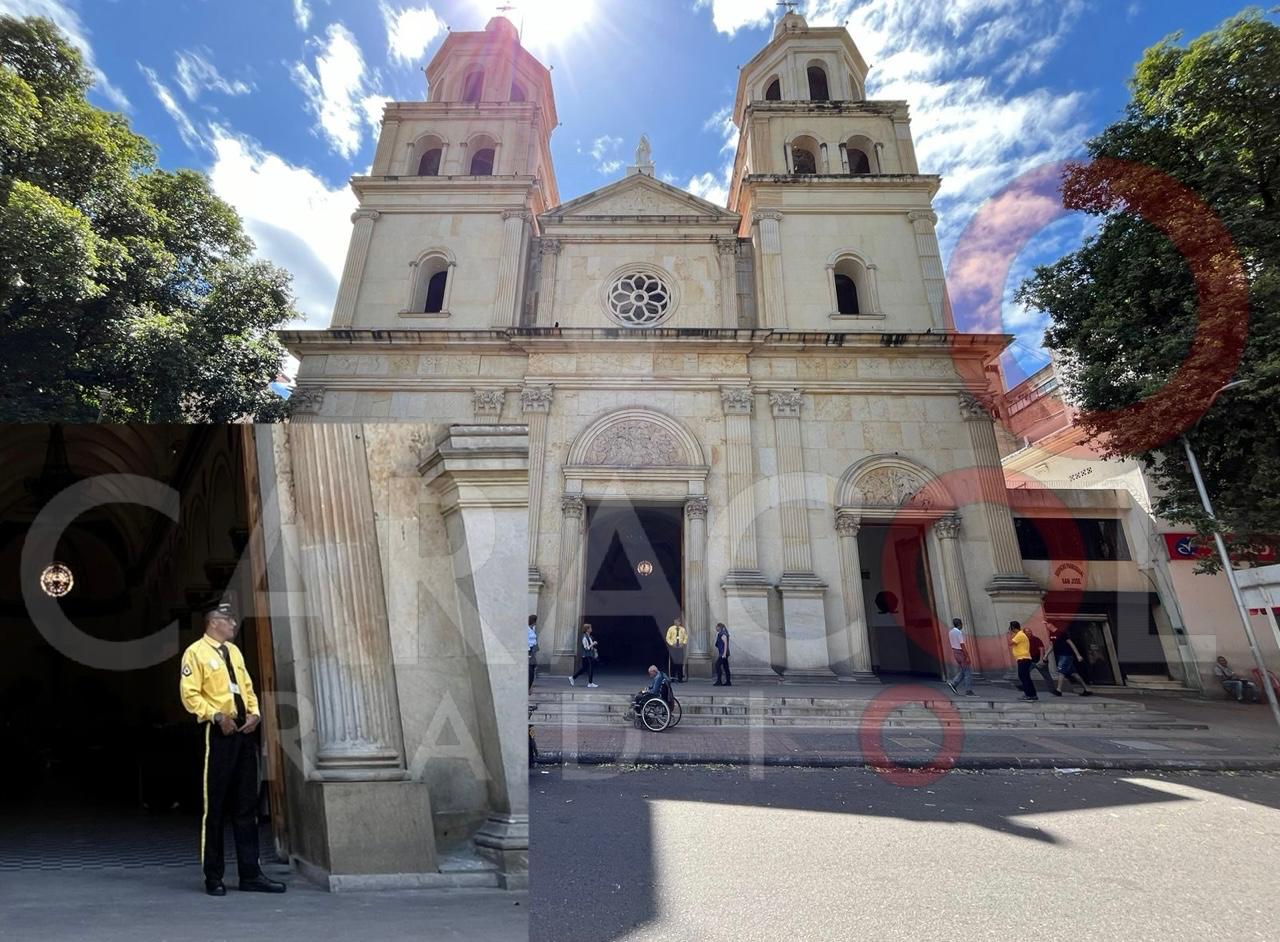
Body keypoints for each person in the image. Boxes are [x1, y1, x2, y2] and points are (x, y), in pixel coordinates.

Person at [179, 602, 286, 897]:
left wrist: (255, 714)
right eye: (229, 619)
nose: (234, 624)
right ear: (214, 622)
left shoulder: (235, 652)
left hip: (242, 733)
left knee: (246, 806)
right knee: (214, 808)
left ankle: (251, 873)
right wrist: (215, 715)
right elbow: (190, 694)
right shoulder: (196, 652)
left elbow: (247, 687)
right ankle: (213, 876)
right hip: (217, 733)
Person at [1051, 626, 1092, 696]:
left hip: (1066, 655)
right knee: (1074, 673)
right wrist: (1046, 655)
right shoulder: (1051, 635)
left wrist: (1078, 655)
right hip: (1060, 655)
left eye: (1048, 624)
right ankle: (1087, 689)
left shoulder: (1061, 633)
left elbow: (1071, 643)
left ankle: (1059, 690)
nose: (1047, 626)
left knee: (1061, 672)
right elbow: (1051, 645)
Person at [1008, 620, 1038, 701]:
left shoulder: (1019, 635)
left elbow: (1010, 643)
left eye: (1010, 628)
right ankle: (1033, 694)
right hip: (1024, 658)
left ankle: (1028, 694)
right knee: (1026, 677)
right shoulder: (1020, 634)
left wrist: (1010, 634)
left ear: (1013, 628)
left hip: (1023, 659)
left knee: (1023, 677)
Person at [1027, 629, 1063, 696]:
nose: (1029, 632)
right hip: (1030, 661)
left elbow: (1041, 649)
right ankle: (1025, 687)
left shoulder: (1036, 639)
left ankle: (1053, 690)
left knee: (1047, 676)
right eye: (1027, 631)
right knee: (1024, 673)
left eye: (1030, 631)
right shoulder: (1025, 641)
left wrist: (1041, 660)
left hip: (1039, 660)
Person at [945, 618, 974, 696]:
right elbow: (962, 645)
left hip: (955, 652)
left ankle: (954, 683)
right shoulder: (959, 632)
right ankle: (968, 690)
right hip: (960, 652)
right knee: (967, 672)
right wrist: (967, 656)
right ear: (960, 624)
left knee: (963, 670)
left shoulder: (950, 632)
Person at [569, 623, 599, 688]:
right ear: (587, 629)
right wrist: (593, 644)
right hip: (586, 655)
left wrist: (593, 647)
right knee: (590, 668)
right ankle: (590, 683)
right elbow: (586, 648)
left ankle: (573, 678)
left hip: (589, 655)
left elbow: (590, 647)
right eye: (590, 628)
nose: (591, 629)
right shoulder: (584, 637)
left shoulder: (589, 636)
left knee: (584, 669)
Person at [665, 617, 689, 682]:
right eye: (676, 621)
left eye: (678, 621)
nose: (677, 623)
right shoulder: (671, 629)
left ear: (680, 622)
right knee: (673, 662)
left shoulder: (683, 629)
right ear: (674, 622)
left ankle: (680, 677)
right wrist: (672, 644)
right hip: (673, 647)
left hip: (680, 647)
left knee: (680, 663)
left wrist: (683, 644)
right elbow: (667, 638)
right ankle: (672, 677)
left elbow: (685, 637)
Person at [527, 615, 539, 691]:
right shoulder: (526, 629)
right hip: (528, 649)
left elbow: (534, 639)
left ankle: (529, 687)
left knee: (533, 666)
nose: (536, 623)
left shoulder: (533, 628)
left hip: (533, 649)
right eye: (535, 621)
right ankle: (528, 688)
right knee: (530, 669)